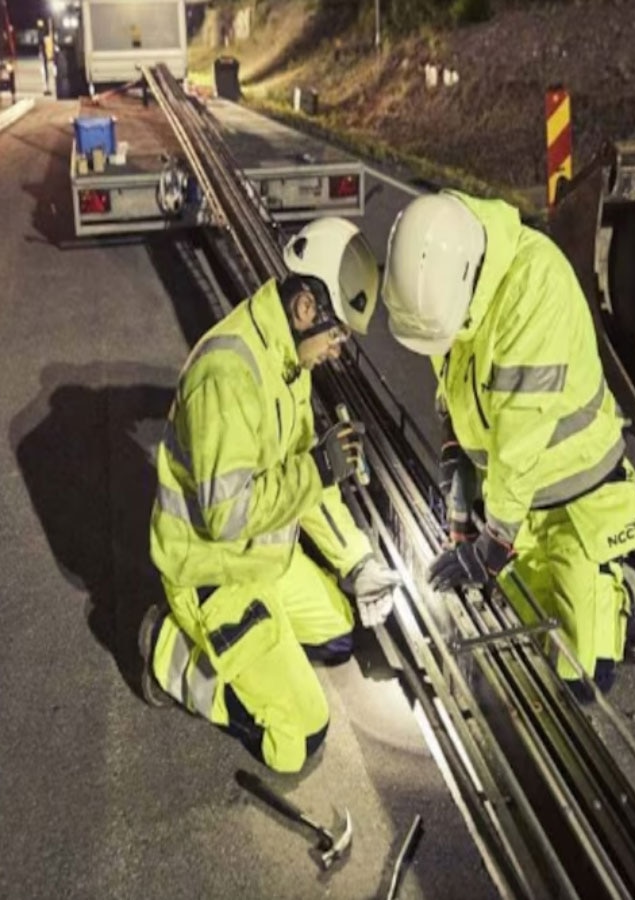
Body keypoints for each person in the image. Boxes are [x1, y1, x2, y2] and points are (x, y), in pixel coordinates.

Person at [141, 217, 400, 773]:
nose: (336, 351)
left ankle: (261, 640)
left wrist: (357, 564)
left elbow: (308, 477)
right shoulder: (228, 375)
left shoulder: (288, 363)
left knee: (339, 633)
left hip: (263, 558)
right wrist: (315, 470)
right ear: (306, 307)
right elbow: (227, 516)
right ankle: (169, 649)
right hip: (212, 570)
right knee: (299, 740)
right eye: (337, 335)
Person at [381, 190, 635, 700]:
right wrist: (456, 467)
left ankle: (624, 583)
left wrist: (492, 543)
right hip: (516, 500)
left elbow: (518, 437)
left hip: (579, 499)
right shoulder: (449, 283)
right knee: (530, 648)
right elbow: (455, 383)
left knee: (582, 679)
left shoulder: (534, 287)